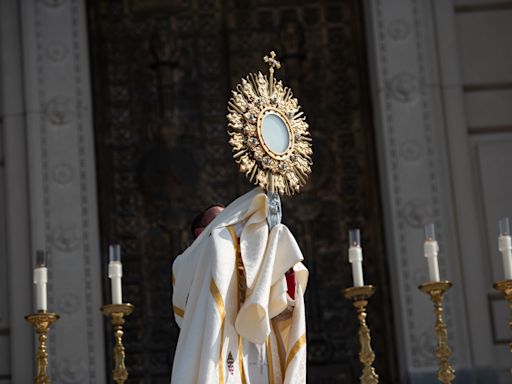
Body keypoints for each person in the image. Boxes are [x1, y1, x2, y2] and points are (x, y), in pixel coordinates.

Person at [171, 188, 308, 383]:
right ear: (201, 232)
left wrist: (276, 251)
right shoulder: (189, 260)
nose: (232, 226)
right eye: (222, 221)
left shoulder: (252, 253)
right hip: (219, 338)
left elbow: (284, 301)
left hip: (259, 342)